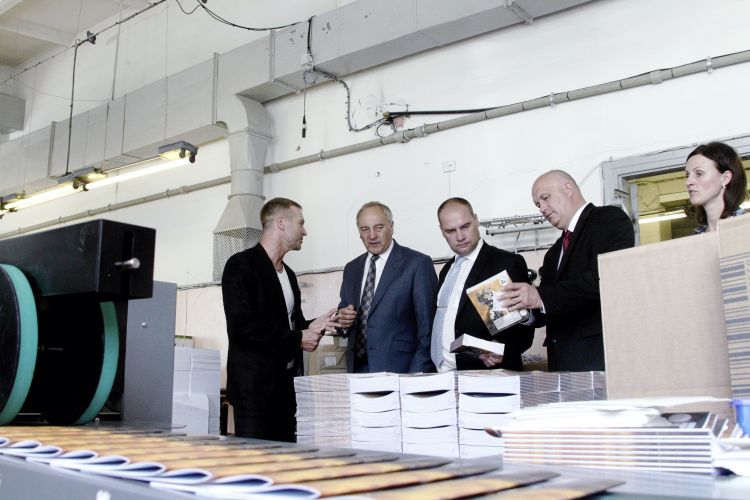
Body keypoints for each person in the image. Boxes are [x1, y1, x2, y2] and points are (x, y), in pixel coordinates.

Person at [222, 197, 338, 441]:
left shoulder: (289, 275)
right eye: (301, 223)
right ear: (281, 223)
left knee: (285, 457)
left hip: (285, 389)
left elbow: (291, 326)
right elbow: (242, 327)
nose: (305, 231)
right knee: (256, 459)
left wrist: (318, 324)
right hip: (254, 391)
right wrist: (297, 338)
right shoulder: (241, 265)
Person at [502, 170, 634, 371]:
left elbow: (604, 280)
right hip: (561, 363)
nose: (542, 208)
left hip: (598, 358)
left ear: (568, 189)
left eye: (545, 198)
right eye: (538, 204)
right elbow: (549, 307)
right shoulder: (554, 253)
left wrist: (539, 296)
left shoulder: (608, 219)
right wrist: (522, 308)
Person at [432, 197, 534, 372]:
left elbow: (524, 330)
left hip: (487, 376)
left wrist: (503, 351)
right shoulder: (447, 270)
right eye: (451, 231)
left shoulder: (506, 263)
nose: (460, 236)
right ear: (442, 231)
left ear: (476, 220)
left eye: (465, 226)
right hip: (443, 374)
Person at [336, 202, 438, 373]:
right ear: (359, 232)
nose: (372, 235)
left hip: (401, 371)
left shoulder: (417, 263)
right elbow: (343, 314)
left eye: (379, 227)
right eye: (365, 229)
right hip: (357, 371)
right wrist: (342, 321)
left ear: (392, 227)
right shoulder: (351, 268)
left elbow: (428, 328)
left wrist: (417, 374)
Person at [685, 141, 747, 233]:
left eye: (699, 173)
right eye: (687, 175)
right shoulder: (696, 237)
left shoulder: (746, 227)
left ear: (725, 178)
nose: (688, 182)